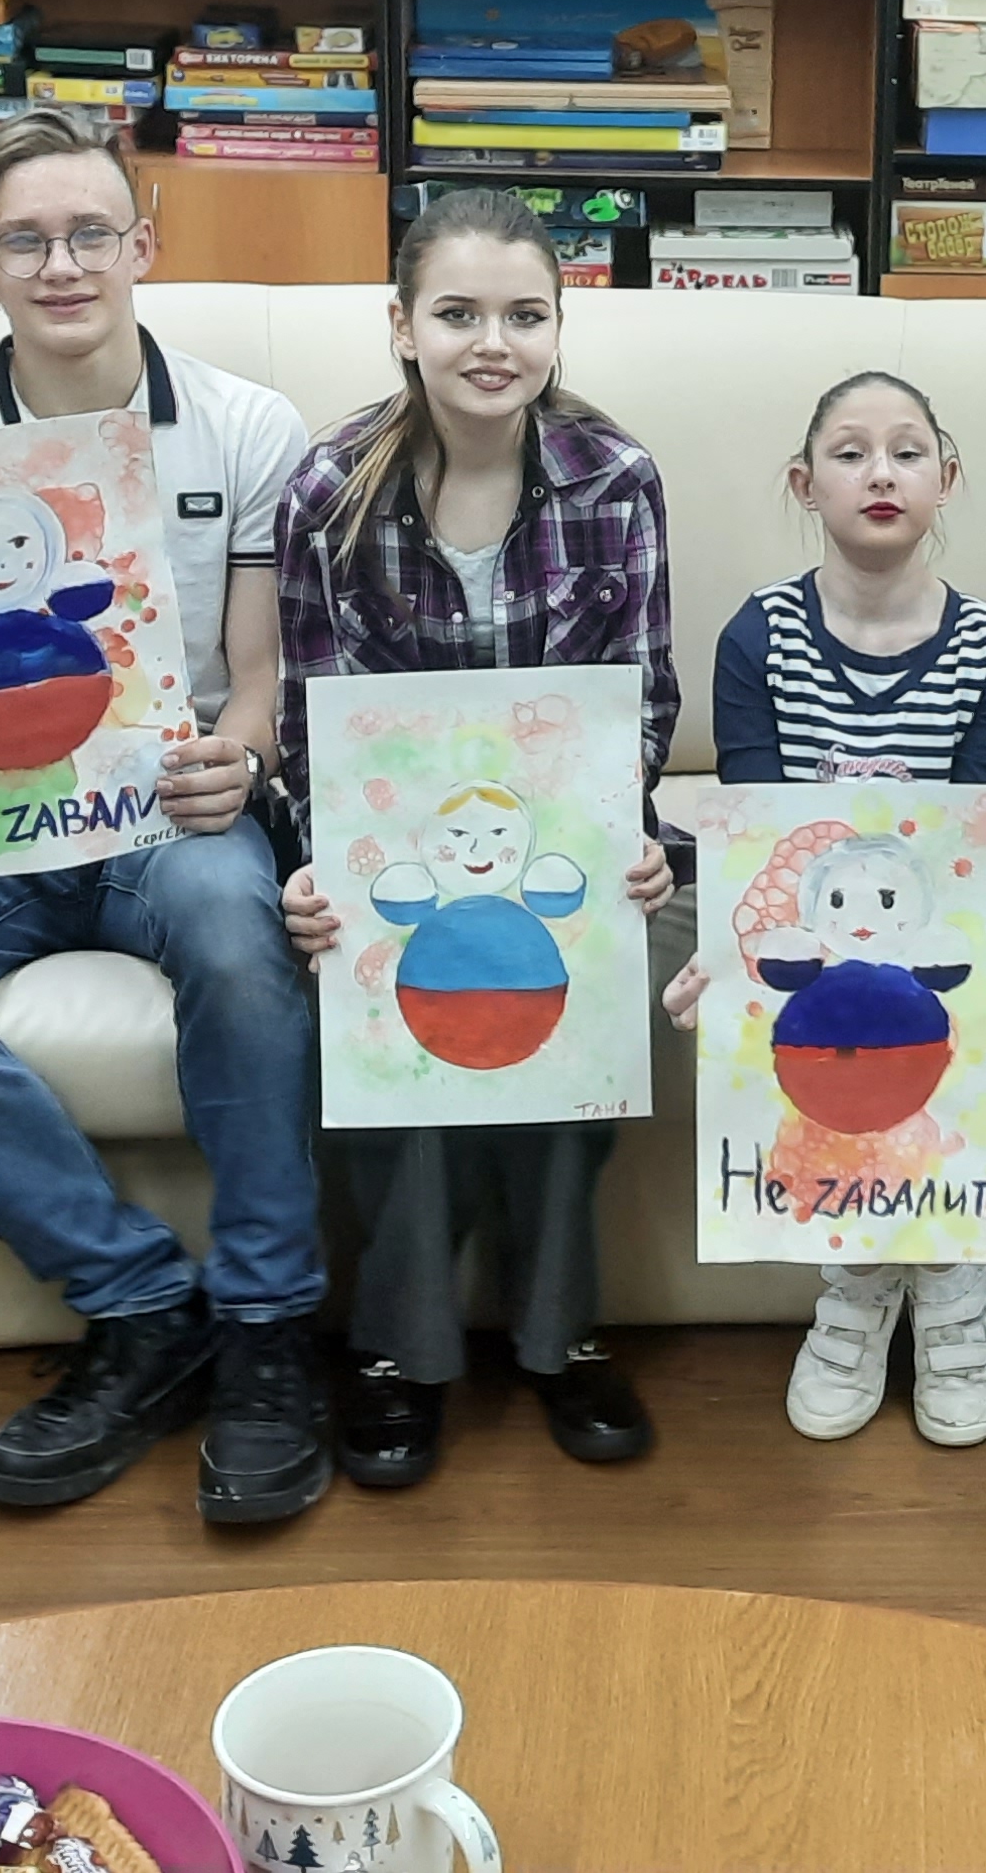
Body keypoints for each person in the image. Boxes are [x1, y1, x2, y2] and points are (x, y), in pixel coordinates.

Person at [0, 108, 331, 1523]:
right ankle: (144, 1305)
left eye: (91, 232)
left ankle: (270, 1320)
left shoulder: (247, 427)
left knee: (236, 931)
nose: (63, 264)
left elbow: (262, 678)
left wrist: (238, 757)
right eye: (24, 240)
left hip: (171, 812)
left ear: (142, 245)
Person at [271, 187, 680, 1486]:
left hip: (560, 847)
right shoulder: (329, 491)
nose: (491, 344)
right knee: (382, 1022)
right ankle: (398, 1350)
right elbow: (310, 722)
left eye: (524, 316)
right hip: (397, 855)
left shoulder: (616, 479)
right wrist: (324, 866)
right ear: (402, 328)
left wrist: (623, 836)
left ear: (559, 329)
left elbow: (643, 701)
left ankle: (563, 1336)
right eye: (456, 314)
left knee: (575, 1011)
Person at [663, 371, 986, 1446]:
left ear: (946, 478)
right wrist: (727, 965)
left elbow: (984, 849)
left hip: (940, 927)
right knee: (812, 1036)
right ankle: (855, 1282)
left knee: (970, 1007)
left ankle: (954, 1282)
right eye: (849, 453)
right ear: (806, 485)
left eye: (906, 451)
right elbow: (756, 839)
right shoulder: (759, 636)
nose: (879, 472)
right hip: (813, 928)